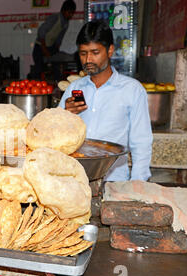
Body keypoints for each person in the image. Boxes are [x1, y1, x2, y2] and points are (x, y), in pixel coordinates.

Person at [59, 20, 153, 182]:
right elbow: (56, 135)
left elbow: (141, 141)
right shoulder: (74, 88)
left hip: (114, 178)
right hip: (75, 177)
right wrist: (64, 115)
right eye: (83, 53)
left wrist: (138, 182)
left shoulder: (132, 90)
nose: (88, 59)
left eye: (95, 52)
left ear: (110, 50)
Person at [31, 0, 76, 79]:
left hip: (51, 47)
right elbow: (41, 31)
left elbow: (59, 38)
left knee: (56, 67)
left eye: (72, 13)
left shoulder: (66, 23)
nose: (71, 16)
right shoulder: (54, 18)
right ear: (64, 11)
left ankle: (57, 87)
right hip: (40, 46)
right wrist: (44, 48)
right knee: (38, 69)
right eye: (69, 13)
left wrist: (55, 50)